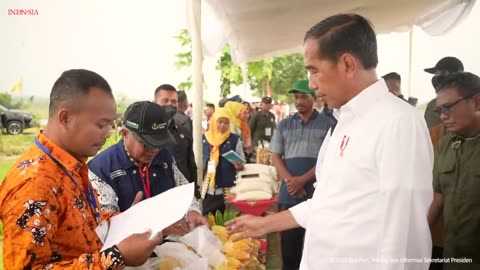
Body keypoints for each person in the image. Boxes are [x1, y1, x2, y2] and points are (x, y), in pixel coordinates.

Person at [227, 14, 433, 270]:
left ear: (347, 64)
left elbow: (404, 236)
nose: (312, 85)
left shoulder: (398, 123)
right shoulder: (343, 123)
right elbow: (329, 203)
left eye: (314, 71)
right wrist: (265, 224)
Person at [0, 69, 162, 269]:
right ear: (65, 118)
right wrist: (115, 257)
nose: (107, 134)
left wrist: (124, 220)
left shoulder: (70, 164)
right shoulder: (36, 184)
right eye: (101, 125)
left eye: (110, 125)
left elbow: (80, 223)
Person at [88, 101, 206, 236]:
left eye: (159, 143)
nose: (154, 150)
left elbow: (183, 191)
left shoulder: (165, 156)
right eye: (146, 144)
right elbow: (103, 229)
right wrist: (152, 227)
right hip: (128, 255)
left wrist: (192, 211)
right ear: (125, 133)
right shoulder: (101, 169)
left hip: (168, 250)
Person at [270, 80, 335, 269]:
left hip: (316, 194)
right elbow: (275, 156)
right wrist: (291, 182)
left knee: (315, 246)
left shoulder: (328, 125)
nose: (298, 101)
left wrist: (302, 181)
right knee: (289, 249)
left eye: (303, 96)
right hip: (288, 194)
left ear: (313, 98)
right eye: (296, 97)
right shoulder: (284, 125)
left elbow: (328, 161)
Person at [428, 72, 480, 269]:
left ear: (477, 102)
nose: (442, 116)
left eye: (448, 107)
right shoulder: (446, 143)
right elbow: (438, 195)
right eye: (440, 109)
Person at [200, 108, 245, 215]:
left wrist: (239, 165)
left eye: (226, 123)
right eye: (220, 122)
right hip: (207, 188)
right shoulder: (204, 138)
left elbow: (242, 162)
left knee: (225, 220)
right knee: (207, 219)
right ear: (214, 121)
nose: (222, 125)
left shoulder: (234, 139)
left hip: (226, 189)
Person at [154, 84, 197, 185]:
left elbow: (190, 162)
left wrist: (194, 189)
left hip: (182, 190)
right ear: (155, 103)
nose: (170, 105)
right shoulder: (146, 132)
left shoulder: (183, 130)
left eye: (174, 101)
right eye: (165, 101)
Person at [424, 57, 464, 128]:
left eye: (442, 73)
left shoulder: (467, 104)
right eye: (436, 73)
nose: (436, 77)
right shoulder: (432, 105)